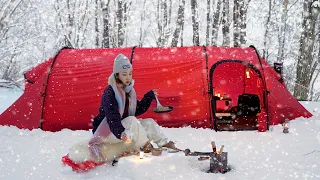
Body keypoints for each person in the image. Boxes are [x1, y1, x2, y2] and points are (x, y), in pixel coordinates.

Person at [87, 54, 176, 162]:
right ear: (117, 75)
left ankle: (165, 143)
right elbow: (112, 117)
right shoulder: (110, 92)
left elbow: (137, 109)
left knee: (148, 122)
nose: (128, 77)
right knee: (132, 121)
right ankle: (144, 146)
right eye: (124, 74)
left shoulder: (129, 91)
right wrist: (120, 132)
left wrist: (149, 96)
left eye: (130, 73)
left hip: (121, 128)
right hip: (107, 132)